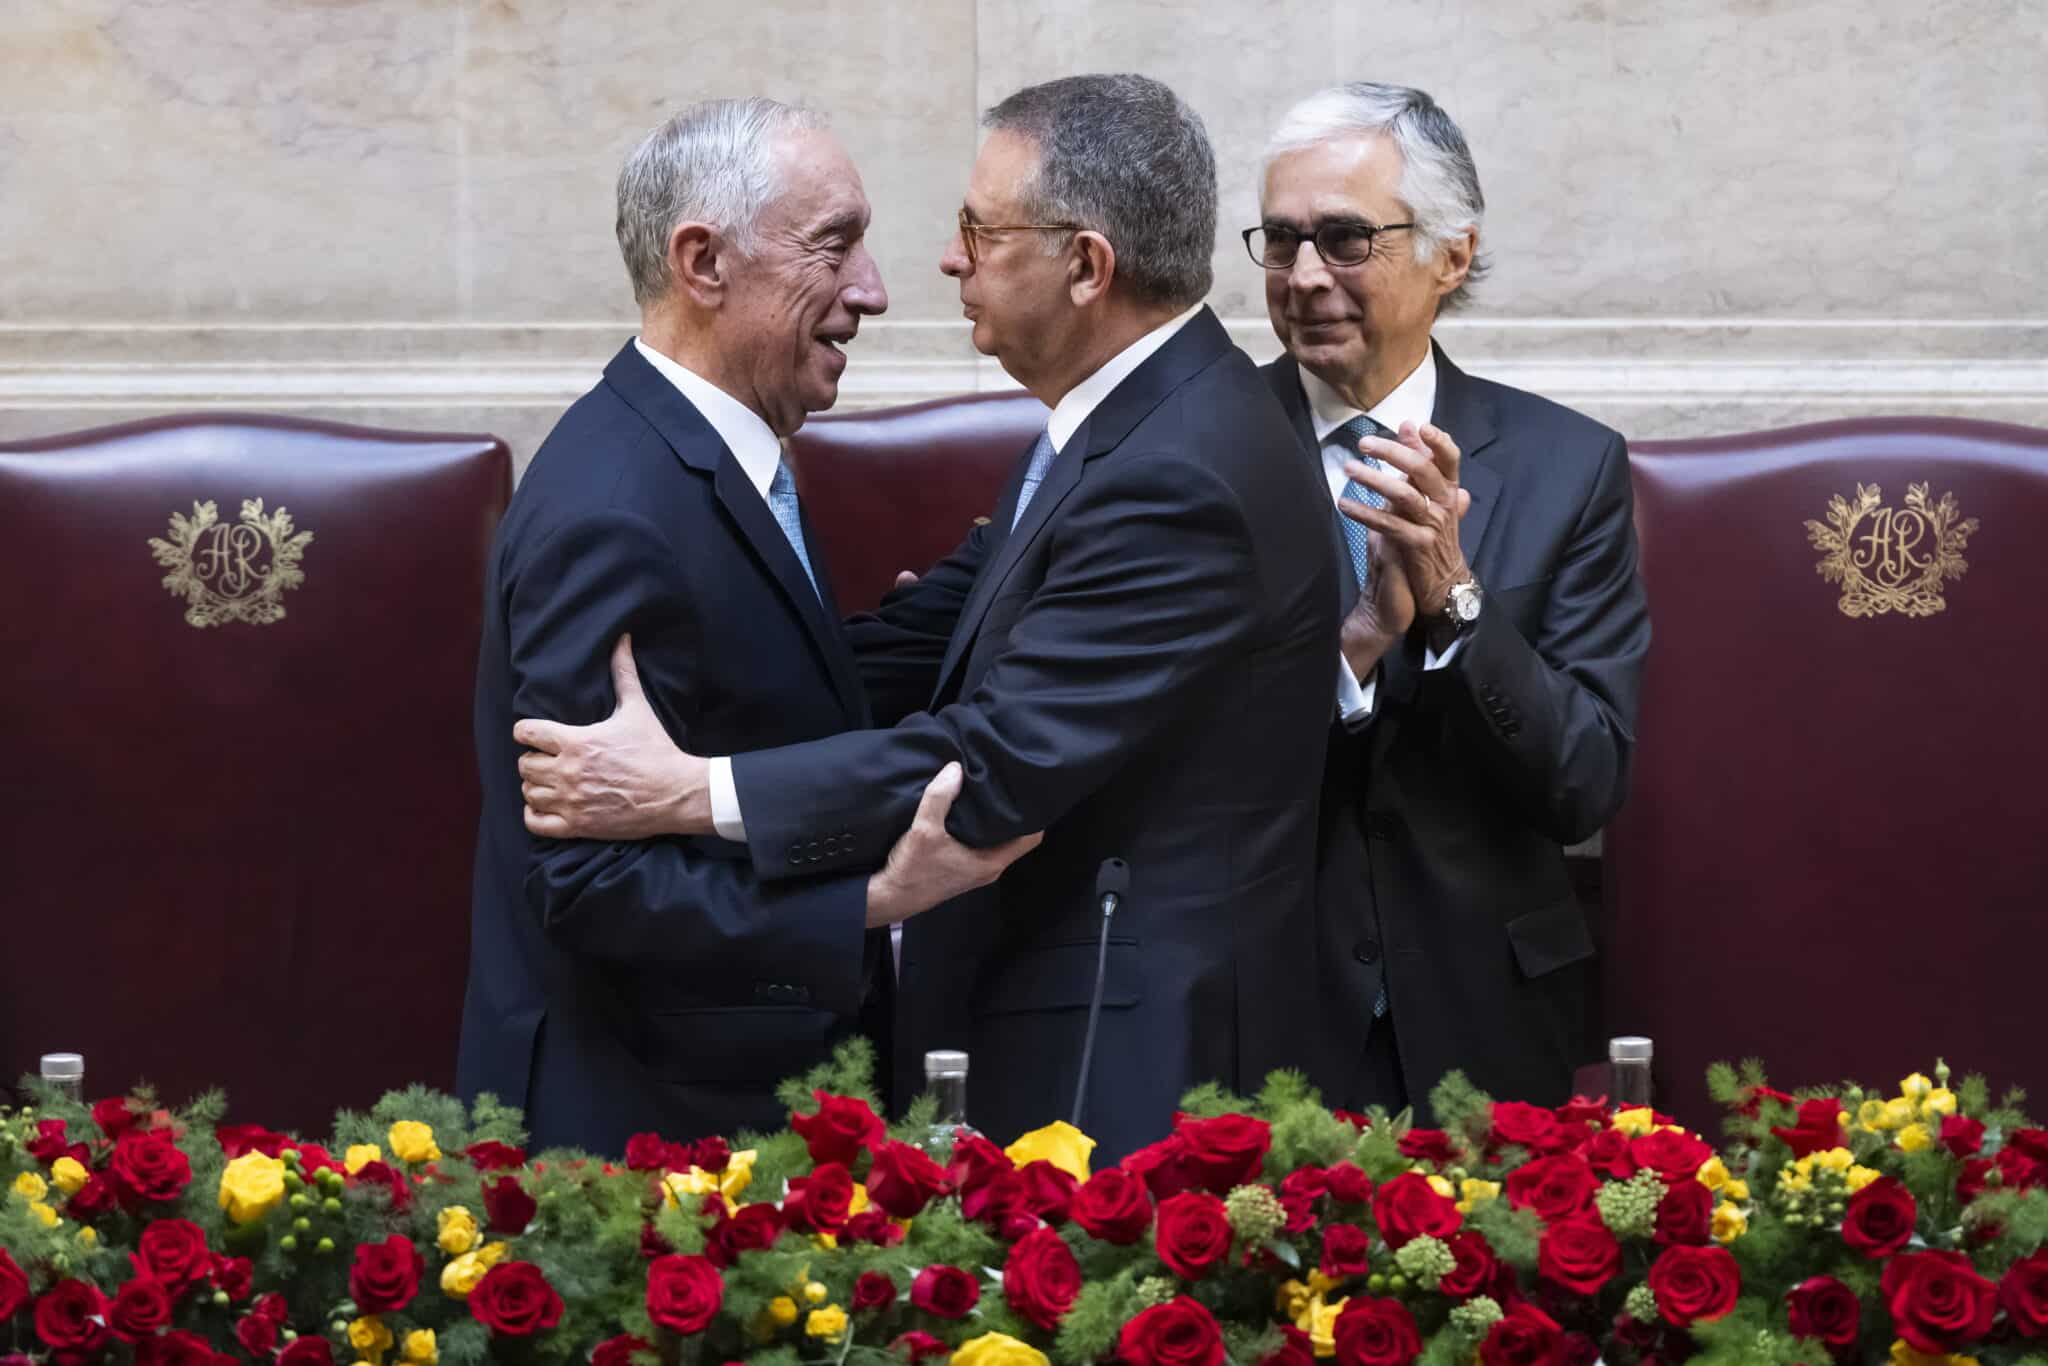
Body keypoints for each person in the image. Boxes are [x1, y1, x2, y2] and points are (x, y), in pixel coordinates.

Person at [515, 75, 1341, 1161]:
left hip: (1125, 1066)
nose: (934, 268)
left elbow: (996, 757)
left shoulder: (1178, 467)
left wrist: (687, 789)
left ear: (1085, 267)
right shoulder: (1122, 433)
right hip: (715, 1078)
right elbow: (910, 643)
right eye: (837, 244)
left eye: (976, 230)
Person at [461, 98, 1038, 1155]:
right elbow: (584, 881)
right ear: (703, 263)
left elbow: (773, 691)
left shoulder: (708, 452)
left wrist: (1055, 511)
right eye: (834, 245)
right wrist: (866, 900)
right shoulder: (612, 507)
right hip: (645, 1136)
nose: (872, 290)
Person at [1249, 81, 1651, 1117]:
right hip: (1257, 1005)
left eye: (1343, 240)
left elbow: (1582, 779)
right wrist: (1350, 650)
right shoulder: (1197, 447)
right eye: (1280, 241)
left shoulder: (1567, 467)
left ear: (1451, 254)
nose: (1302, 278)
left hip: (1485, 1014)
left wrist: (1453, 600)